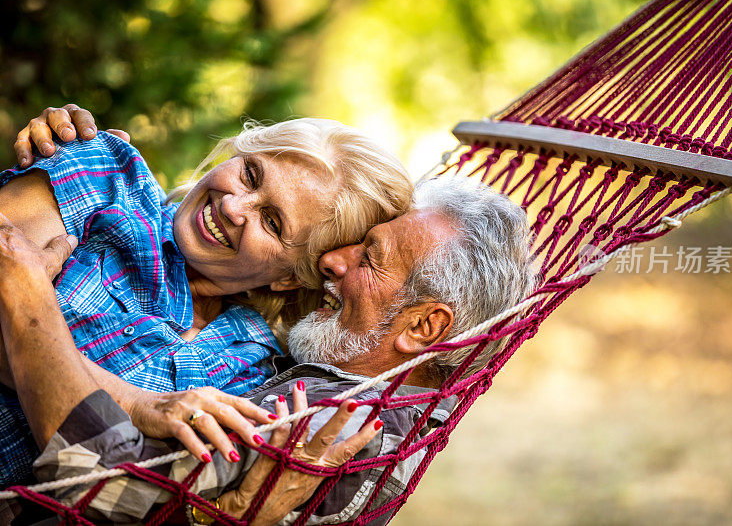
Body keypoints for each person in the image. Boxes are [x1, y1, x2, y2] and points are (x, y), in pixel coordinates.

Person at [0, 176, 537, 524]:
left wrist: (25, 291)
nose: (333, 259)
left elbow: (100, 480)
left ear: (422, 328)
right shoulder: (352, 384)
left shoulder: (345, 426)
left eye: (371, 257)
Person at [0, 105, 413, 486]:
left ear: (290, 279)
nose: (234, 206)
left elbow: (135, 487)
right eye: (251, 175)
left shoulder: (250, 365)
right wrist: (139, 403)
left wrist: (25, 289)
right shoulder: (105, 174)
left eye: (271, 222)